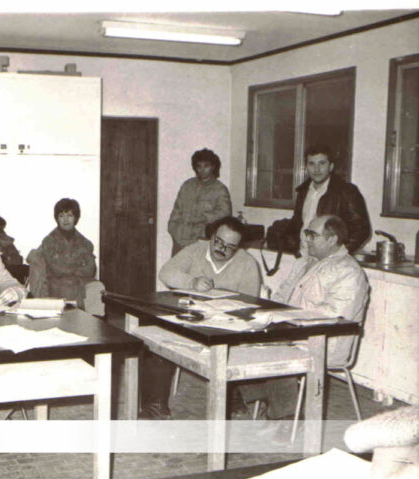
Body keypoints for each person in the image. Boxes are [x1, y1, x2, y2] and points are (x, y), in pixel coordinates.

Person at [239, 215, 370, 440]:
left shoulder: (349, 272)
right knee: (241, 339)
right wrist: (265, 311)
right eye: (307, 233)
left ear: (332, 240)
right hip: (294, 330)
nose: (306, 239)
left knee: (273, 350)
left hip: (325, 340)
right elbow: (282, 295)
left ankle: (285, 419)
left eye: (313, 235)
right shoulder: (306, 262)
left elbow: (331, 317)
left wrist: (284, 325)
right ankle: (274, 401)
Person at [141, 216, 261, 419]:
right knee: (157, 341)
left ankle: (233, 395)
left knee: (239, 345)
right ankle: (155, 405)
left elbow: (250, 304)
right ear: (212, 236)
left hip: (223, 325)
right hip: (190, 319)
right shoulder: (195, 250)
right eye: (218, 241)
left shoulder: (247, 263)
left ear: (239, 247)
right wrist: (192, 281)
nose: (221, 248)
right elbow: (166, 272)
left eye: (229, 247)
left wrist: (223, 312)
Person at [286, 145, 371, 254]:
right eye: (312, 164)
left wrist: (337, 254)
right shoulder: (303, 191)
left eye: (322, 163)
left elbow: (362, 230)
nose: (316, 169)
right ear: (306, 167)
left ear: (331, 166)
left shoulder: (347, 191)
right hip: (304, 256)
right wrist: (295, 248)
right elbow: (297, 223)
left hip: (330, 261)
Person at [167, 148, 231, 256]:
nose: (202, 170)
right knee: (176, 271)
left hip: (201, 242)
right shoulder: (187, 186)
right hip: (180, 241)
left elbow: (225, 212)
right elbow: (176, 212)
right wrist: (174, 231)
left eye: (206, 166)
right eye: (199, 166)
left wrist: (203, 217)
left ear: (213, 167)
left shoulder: (220, 189)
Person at [39, 198, 96, 309]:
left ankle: (95, 321)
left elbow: (91, 268)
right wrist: (77, 267)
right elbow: (56, 268)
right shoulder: (49, 241)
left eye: (69, 215)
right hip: (56, 283)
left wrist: (73, 270)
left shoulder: (85, 243)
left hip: (79, 282)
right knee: (68, 285)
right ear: (57, 219)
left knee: (97, 288)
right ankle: (75, 319)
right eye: (61, 216)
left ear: (76, 218)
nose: (66, 220)